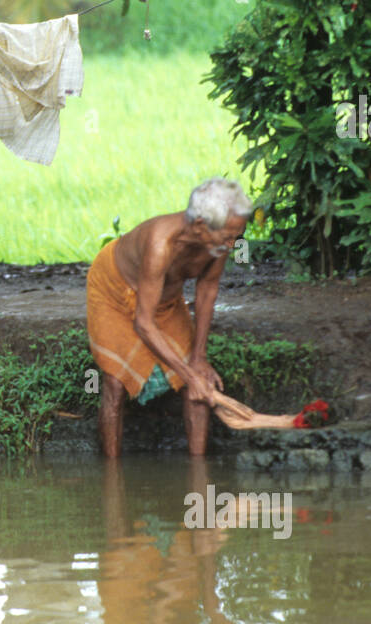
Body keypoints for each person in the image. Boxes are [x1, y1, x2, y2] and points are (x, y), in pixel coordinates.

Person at [87, 178, 256, 457]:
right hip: (113, 292)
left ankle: (198, 473)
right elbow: (143, 323)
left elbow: (206, 292)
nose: (234, 243)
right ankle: (111, 479)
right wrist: (190, 375)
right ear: (201, 226)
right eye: (229, 235)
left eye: (238, 235)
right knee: (115, 383)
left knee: (198, 379)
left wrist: (198, 360)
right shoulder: (160, 244)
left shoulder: (221, 241)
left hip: (164, 299)